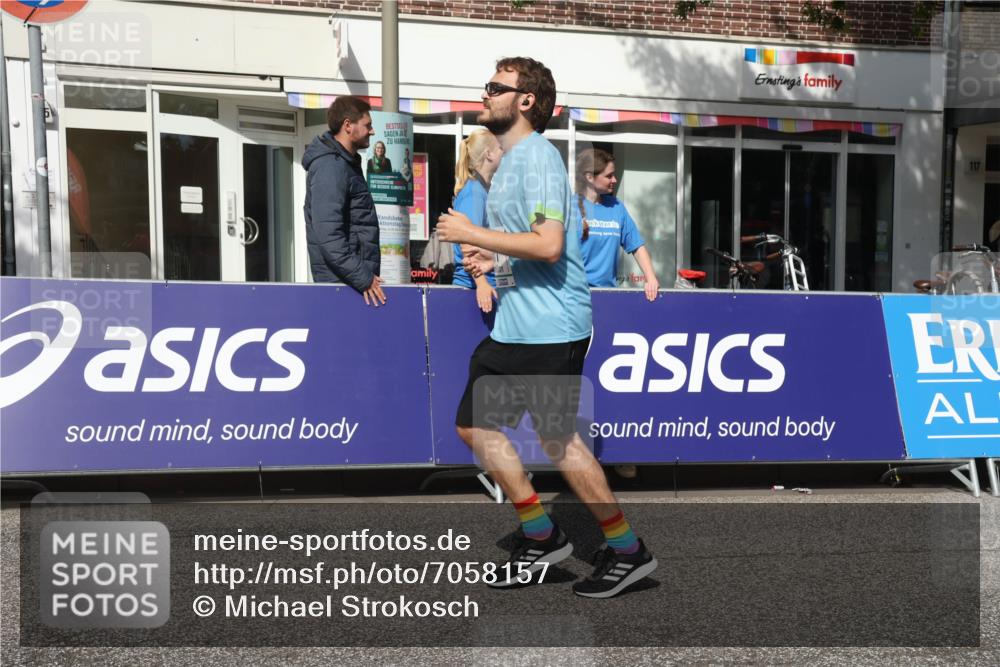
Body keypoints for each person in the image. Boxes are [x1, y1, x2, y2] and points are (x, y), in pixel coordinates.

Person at [436, 56, 657, 599]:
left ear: (526, 100)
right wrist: (497, 267)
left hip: (553, 328)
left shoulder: (534, 158)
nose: (485, 93)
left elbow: (551, 245)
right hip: (514, 327)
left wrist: (475, 234)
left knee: (560, 442)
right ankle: (543, 533)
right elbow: (544, 255)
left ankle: (628, 551)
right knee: (473, 426)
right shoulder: (511, 162)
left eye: (495, 87)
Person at [303, 95, 386, 307]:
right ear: (348, 126)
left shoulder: (345, 163)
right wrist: (364, 278)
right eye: (367, 125)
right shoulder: (330, 167)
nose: (372, 131)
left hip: (350, 283)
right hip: (342, 286)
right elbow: (329, 237)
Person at [575, 148, 659, 301]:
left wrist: (651, 278)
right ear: (589, 177)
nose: (614, 180)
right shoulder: (569, 207)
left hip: (607, 295)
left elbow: (637, 245)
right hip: (576, 297)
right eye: (609, 176)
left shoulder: (616, 207)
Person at [451, 129, 502, 313]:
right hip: (476, 291)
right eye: (500, 148)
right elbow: (468, 243)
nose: (504, 151)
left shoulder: (483, 190)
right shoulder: (474, 192)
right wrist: (481, 283)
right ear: (488, 154)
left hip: (488, 286)